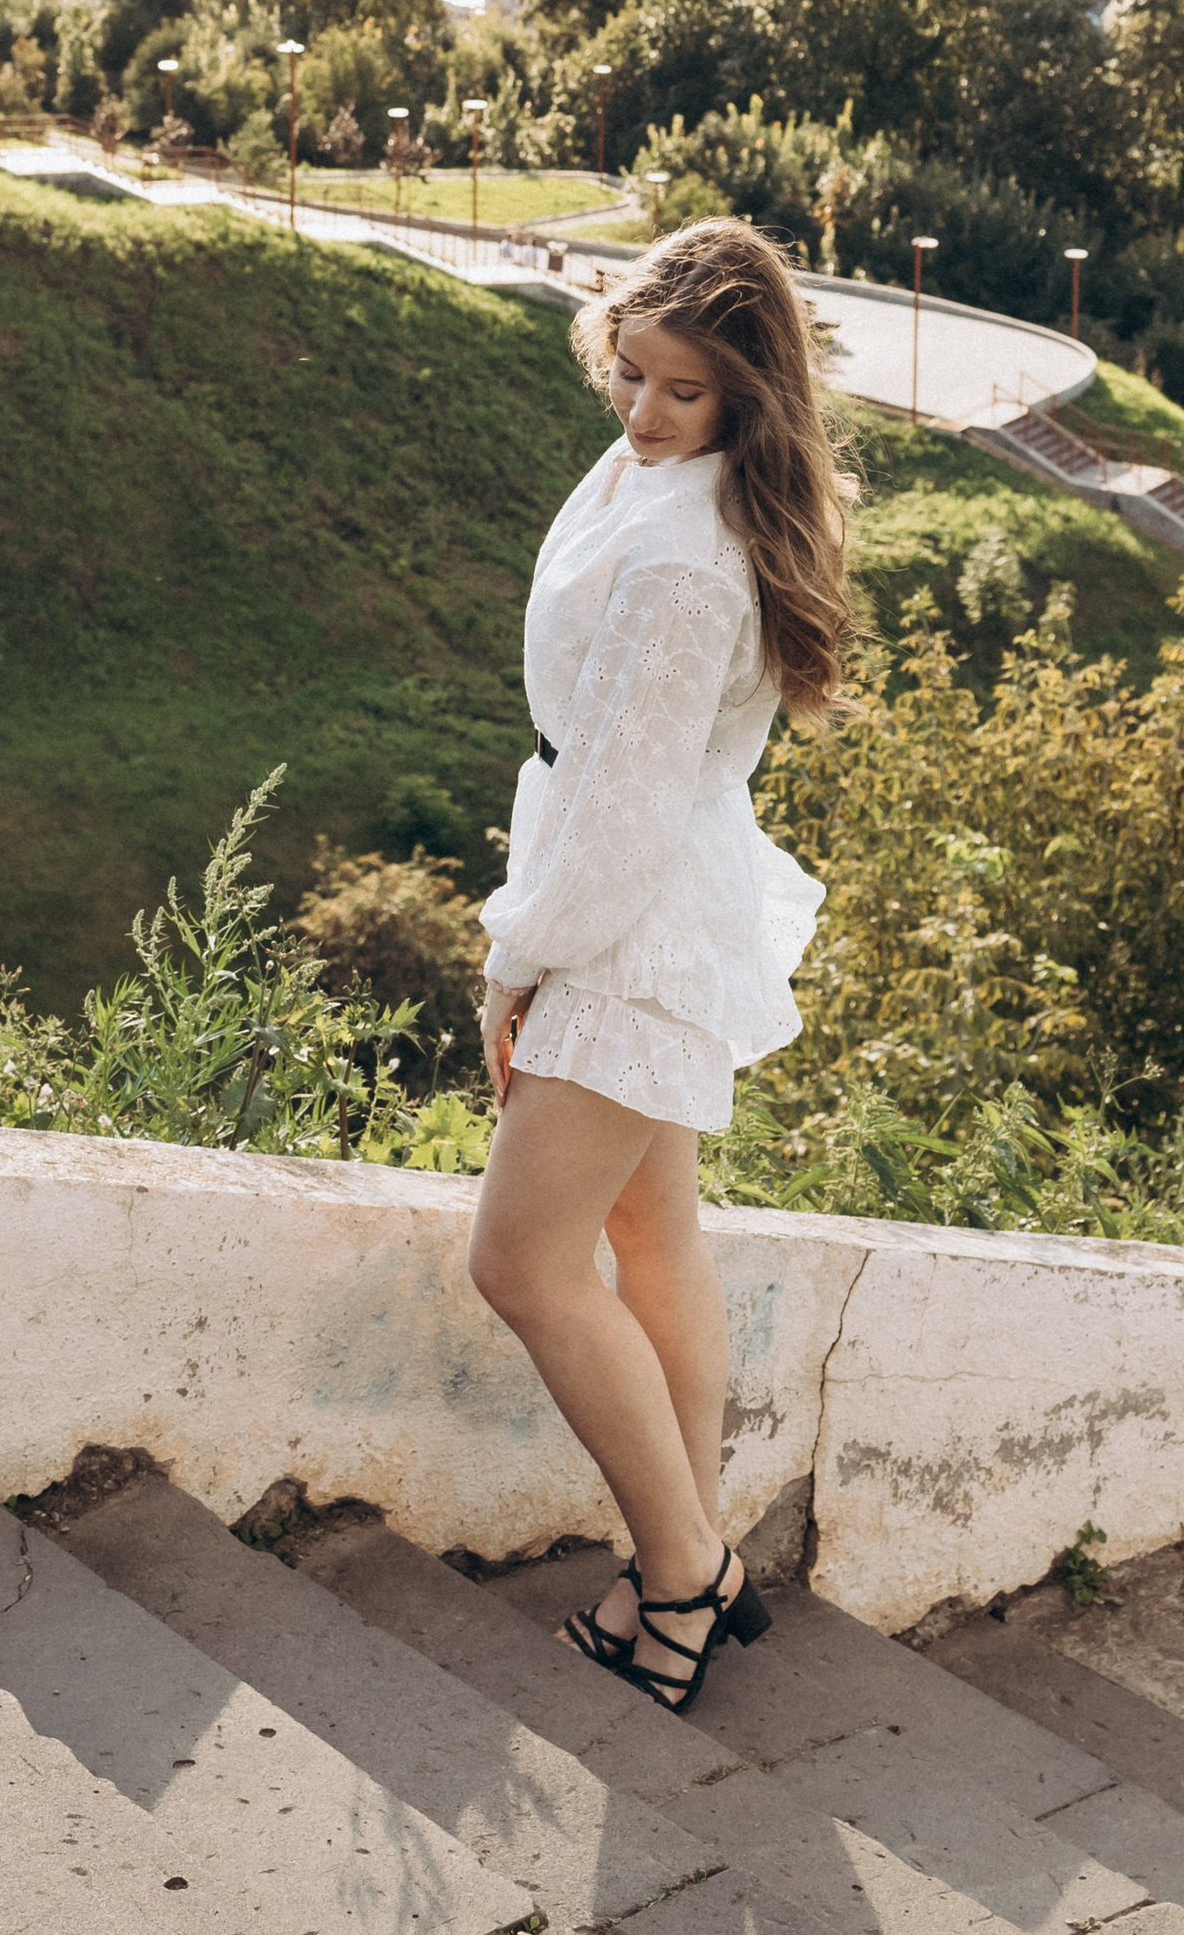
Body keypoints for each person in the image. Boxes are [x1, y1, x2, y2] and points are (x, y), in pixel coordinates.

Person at [466, 214, 851, 1713]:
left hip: (628, 920)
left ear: (748, 395)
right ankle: (685, 1564)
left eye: (680, 390)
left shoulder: (694, 557)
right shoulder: (662, 471)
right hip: (642, 891)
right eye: (627, 372)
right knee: (650, 1239)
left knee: (521, 1259)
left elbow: (622, 812)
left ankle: (686, 1574)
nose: (639, 410)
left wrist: (517, 958)